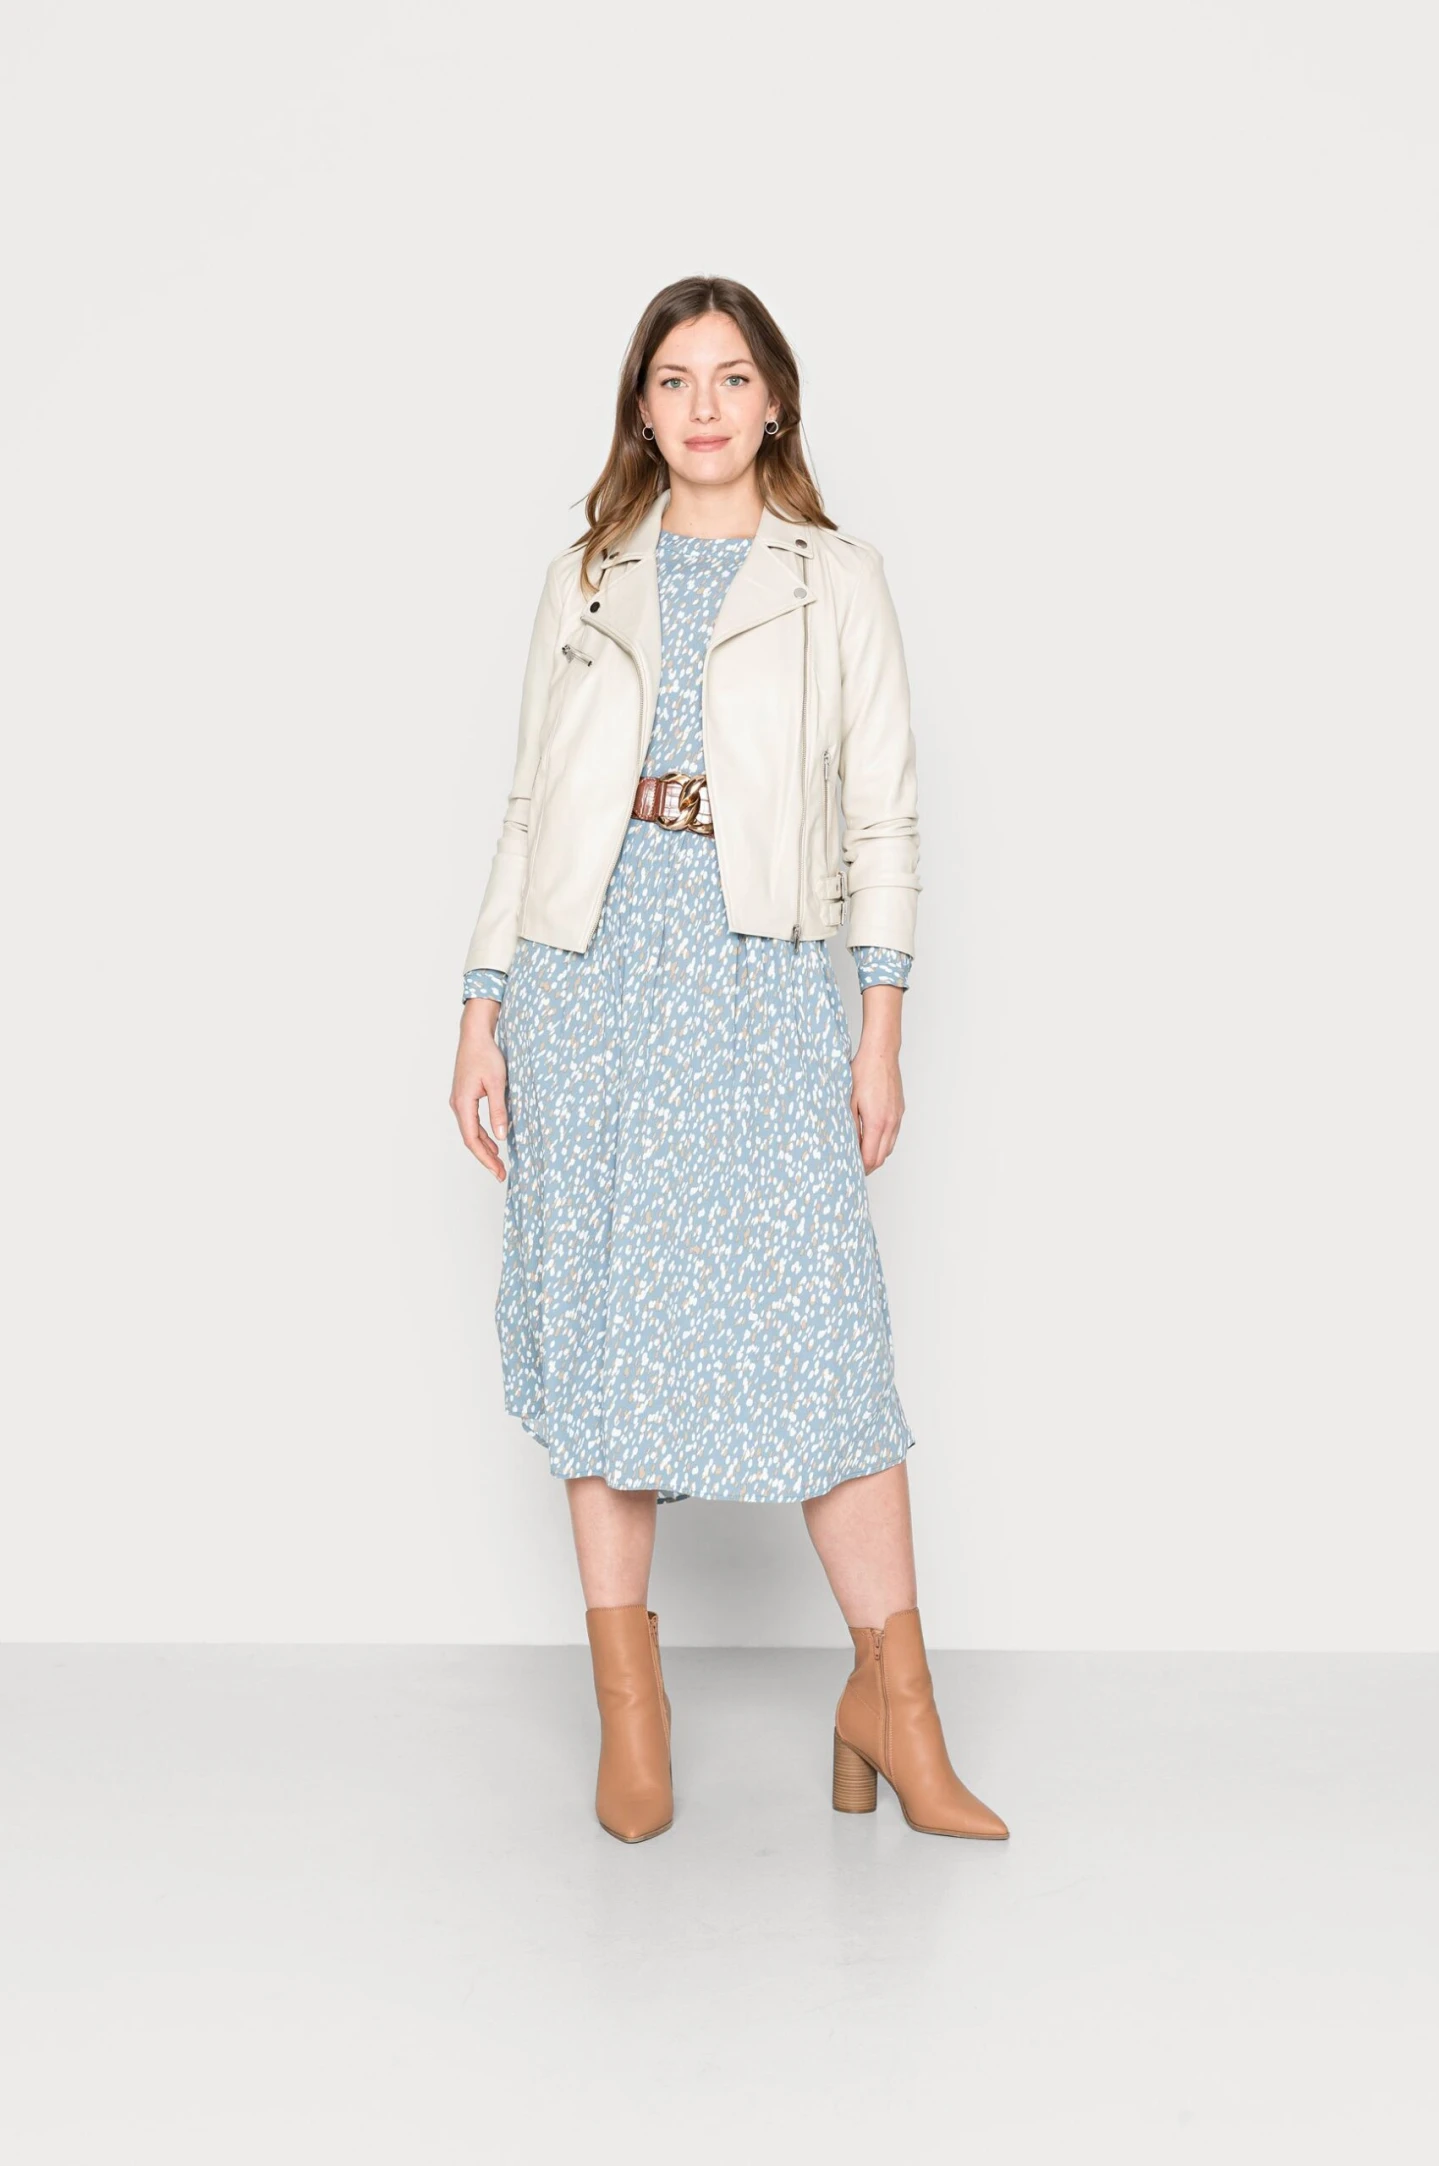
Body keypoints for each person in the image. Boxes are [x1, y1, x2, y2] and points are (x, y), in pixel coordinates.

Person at [450, 275, 1008, 1846]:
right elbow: (525, 803)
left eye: (733, 376)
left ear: (776, 403)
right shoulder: (586, 577)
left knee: (828, 1339)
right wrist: (483, 1003)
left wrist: (879, 1025)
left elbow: (885, 812)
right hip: (591, 972)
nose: (704, 406)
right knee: (605, 1324)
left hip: (760, 972)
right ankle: (632, 1718)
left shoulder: (838, 581)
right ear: (641, 408)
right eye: (675, 379)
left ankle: (895, 1704)